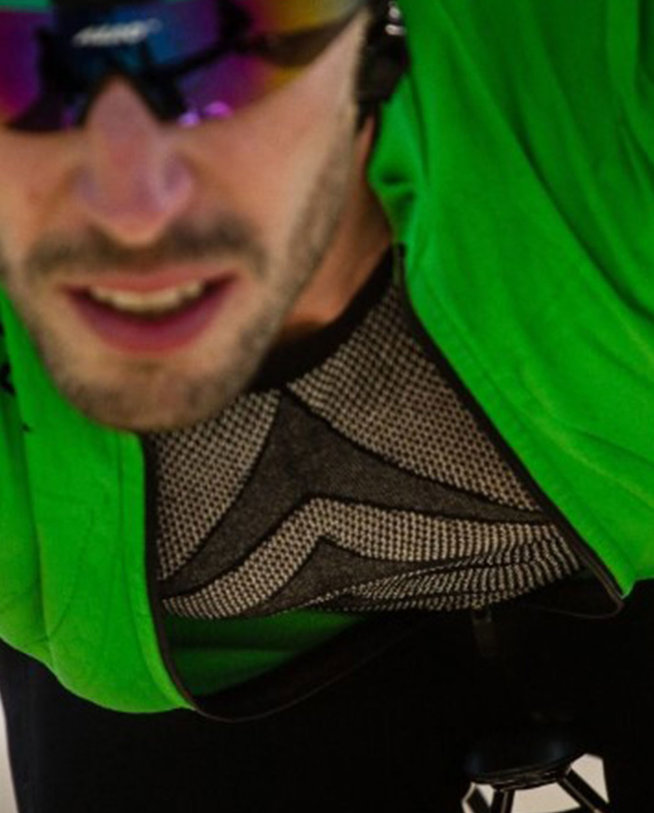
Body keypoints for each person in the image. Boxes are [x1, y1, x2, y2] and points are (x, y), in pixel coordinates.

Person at [0, 0, 651, 810]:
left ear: (378, 39)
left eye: (223, 57)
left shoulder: (601, 66)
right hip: (213, 660)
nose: (132, 208)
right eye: (25, 70)